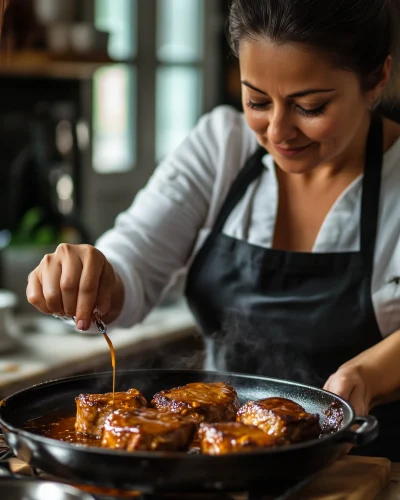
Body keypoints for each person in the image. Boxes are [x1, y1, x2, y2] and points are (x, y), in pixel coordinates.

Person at [26, 0, 400, 459]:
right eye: (257, 100)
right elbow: (133, 263)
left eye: (310, 106)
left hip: (370, 461)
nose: (278, 131)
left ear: (377, 79)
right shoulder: (220, 145)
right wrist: (92, 274)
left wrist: (365, 376)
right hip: (213, 461)